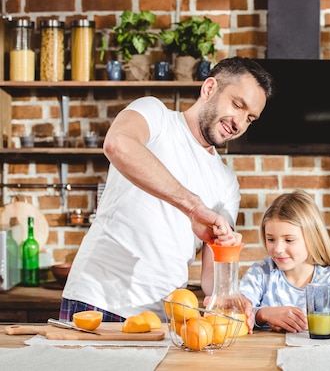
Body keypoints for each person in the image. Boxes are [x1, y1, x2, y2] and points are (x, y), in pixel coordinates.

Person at [60, 57, 275, 331]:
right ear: (210, 88)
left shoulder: (227, 182)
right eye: (237, 105)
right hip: (96, 300)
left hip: (164, 317)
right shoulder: (155, 115)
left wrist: (230, 293)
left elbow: (211, 276)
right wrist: (193, 206)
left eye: (250, 118)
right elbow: (117, 144)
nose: (240, 124)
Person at [237, 189, 330, 333]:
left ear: (312, 238)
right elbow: (237, 310)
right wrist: (264, 314)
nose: (278, 249)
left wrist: (308, 320)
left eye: (289, 240)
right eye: (271, 239)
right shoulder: (260, 273)